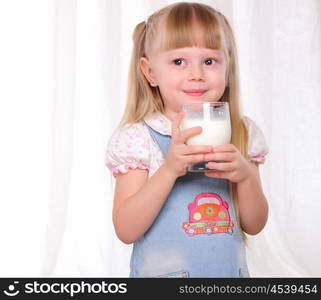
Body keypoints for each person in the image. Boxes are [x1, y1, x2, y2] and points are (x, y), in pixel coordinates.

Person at [105, 2, 269, 278]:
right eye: (179, 62)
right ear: (150, 72)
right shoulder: (139, 138)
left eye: (209, 61)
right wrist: (168, 170)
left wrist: (245, 178)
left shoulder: (241, 132)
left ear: (227, 67)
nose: (196, 74)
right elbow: (126, 228)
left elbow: (254, 224)